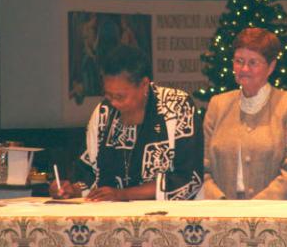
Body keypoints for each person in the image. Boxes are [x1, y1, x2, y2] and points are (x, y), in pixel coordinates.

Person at [50, 44, 203, 201]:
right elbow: (89, 173)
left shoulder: (176, 106)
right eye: (109, 96)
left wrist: (123, 194)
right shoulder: (104, 112)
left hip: (168, 218)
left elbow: (189, 179)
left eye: (120, 97)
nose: (114, 103)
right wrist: (72, 189)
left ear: (144, 85)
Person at [202, 27, 287, 200]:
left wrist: (254, 210)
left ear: (271, 67)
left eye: (253, 62)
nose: (244, 68)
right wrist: (221, 203)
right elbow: (202, 168)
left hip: (278, 215)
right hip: (223, 213)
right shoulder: (218, 105)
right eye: (239, 61)